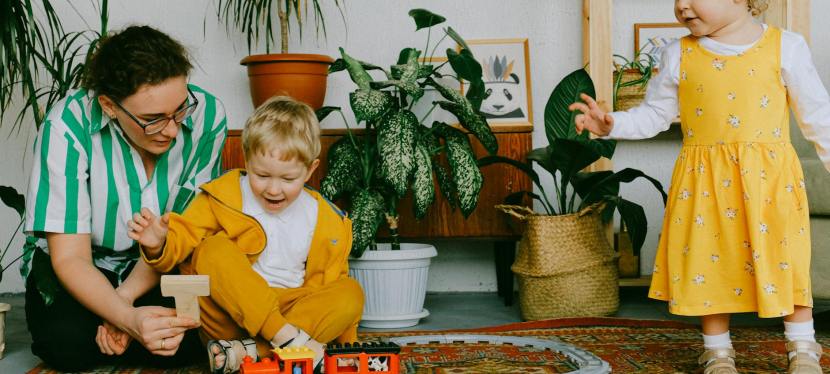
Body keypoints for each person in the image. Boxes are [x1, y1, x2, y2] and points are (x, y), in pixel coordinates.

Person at [569, 0, 830, 373]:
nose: (682, 5)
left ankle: (803, 346)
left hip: (768, 183)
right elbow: (656, 114)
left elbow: (818, 116)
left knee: (782, 259)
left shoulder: (785, 46)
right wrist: (613, 125)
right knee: (709, 261)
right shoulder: (678, 54)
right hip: (704, 182)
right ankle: (717, 350)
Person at [22, 25, 228, 372]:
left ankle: (132, 331)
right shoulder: (65, 127)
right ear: (109, 106)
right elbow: (71, 258)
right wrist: (128, 319)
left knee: (191, 339)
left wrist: (124, 303)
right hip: (83, 269)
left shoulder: (208, 116)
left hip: (164, 263)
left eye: (179, 109)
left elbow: (182, 233)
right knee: (67, 346)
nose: (173, 129)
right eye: (152, 120)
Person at [128, 96, 364, 373]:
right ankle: (284, 341)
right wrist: (158, 245)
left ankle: (250, 354)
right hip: (230, 313)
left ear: (310, 170)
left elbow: (334, 279)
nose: (273, 189)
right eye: (261, 175)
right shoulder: (223, 195)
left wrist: (351, 350)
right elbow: (184, 239)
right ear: (247, 159)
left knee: (351, 293)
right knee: (213, 249)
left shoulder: (327, 219)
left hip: (294, 311)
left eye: (287, 179)